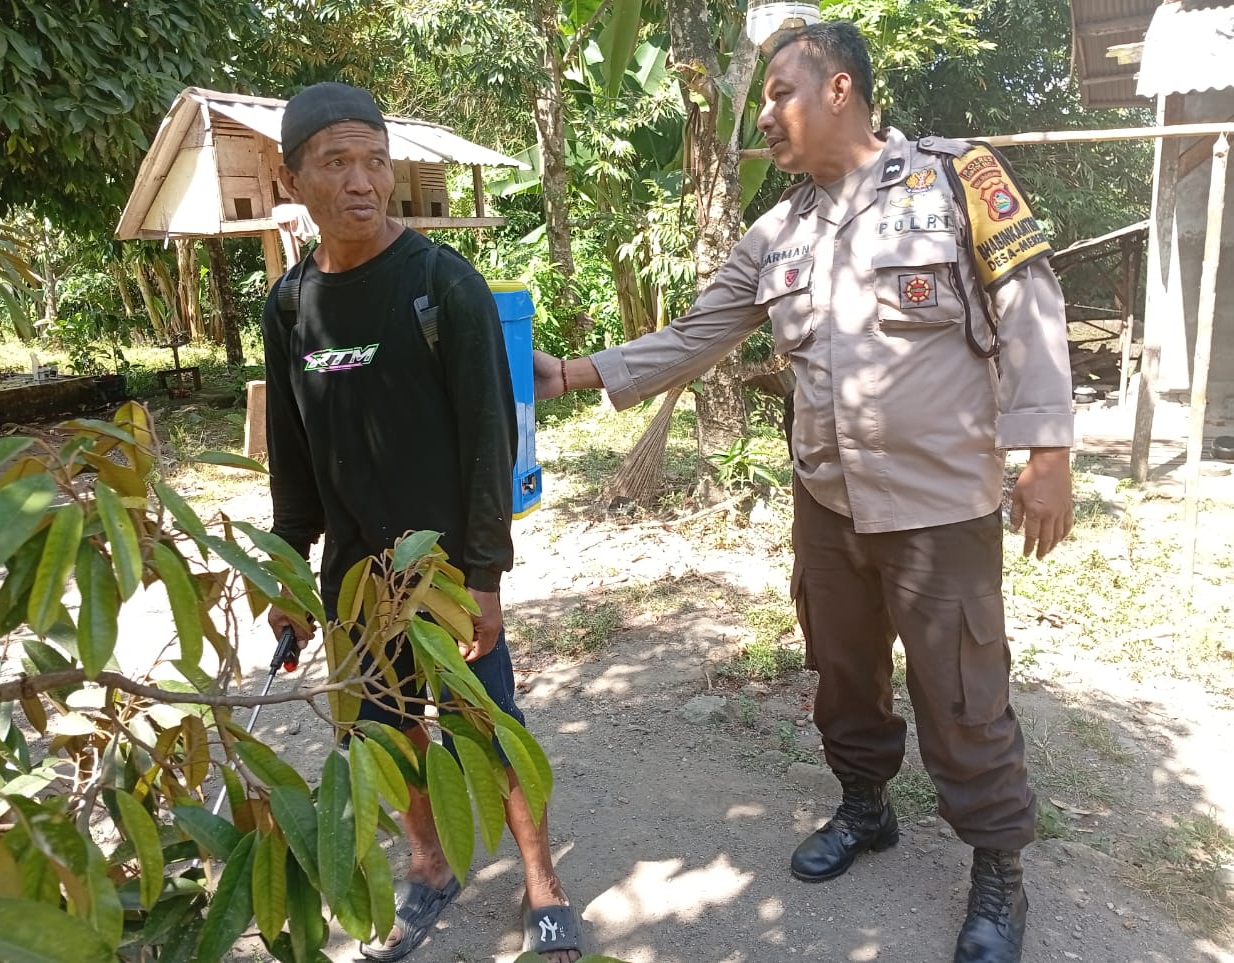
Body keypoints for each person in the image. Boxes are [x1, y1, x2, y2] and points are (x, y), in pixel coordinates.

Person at [533, 22, 1074, 963]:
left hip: (940, 509)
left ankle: (997, 870)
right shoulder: (775, 232)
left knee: (961, 693)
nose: (767, 117)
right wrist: (573, 374)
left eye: (780, 92)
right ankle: (865, 810)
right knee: (843, 674)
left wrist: (1048, 450)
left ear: (839, 90)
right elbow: (698, 334)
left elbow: (1030, 298)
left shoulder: (955, 180)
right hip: (828, 505)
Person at [262, 82, 583, 963]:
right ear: (294, 181)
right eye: (336, 163)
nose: (363, 181)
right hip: (356, 582)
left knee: (489, 724)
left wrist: (486, 577)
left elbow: (488, 443)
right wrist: (287, 577)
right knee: (383, 726)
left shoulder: (444, 286)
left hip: (447, 579)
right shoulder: (290, 308)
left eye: (375, 159)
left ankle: (543, 883)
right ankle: (431, 866)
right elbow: (293, 465)